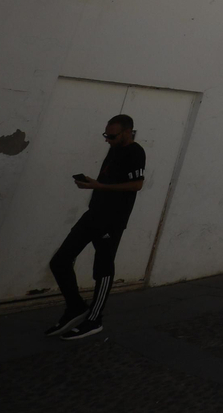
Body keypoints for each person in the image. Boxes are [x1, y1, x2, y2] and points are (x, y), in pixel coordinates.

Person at [45, 114, 146, 340]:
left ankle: (95, 319)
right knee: (60, 260)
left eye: (112, 135)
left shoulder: (135, 152)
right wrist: (95, 184)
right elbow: (110, 181)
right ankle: (76, 307)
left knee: (102, 267)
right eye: (106, 135)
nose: (107, 139)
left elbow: (137, 185)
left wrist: (99, 185)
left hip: (113, 219)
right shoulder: (114, 148)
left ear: (128, 132)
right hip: (94, 214)